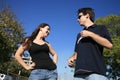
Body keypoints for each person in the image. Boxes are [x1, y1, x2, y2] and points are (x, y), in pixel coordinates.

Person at [68, 7, 113, 80]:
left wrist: (91, 35)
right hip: (79, 75)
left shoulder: (100, 28)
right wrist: (72, 58)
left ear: (87, 16)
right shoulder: (79, 35)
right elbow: (77, 52)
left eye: (79, 16)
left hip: (95, 73)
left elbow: (109, 45)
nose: (77, 19)